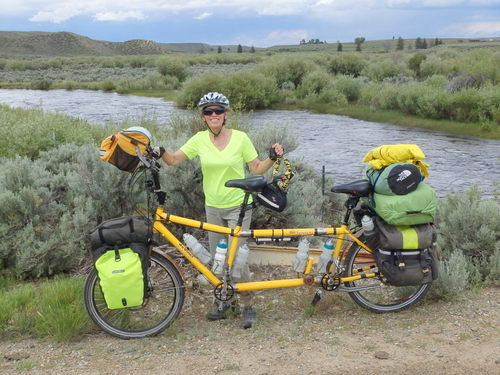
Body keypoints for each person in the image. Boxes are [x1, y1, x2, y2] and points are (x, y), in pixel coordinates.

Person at [156, 92, 284, 328]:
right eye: (208, 112)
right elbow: (173, 160)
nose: (213, 115)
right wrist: (159, 150)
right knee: (218, 258)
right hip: (212, 206)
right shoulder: (199, 139)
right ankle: (224, 302)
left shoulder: (240, 138)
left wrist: (272, 158)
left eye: (218, 111)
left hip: (239, 206)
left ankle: (247, 305)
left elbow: (256, 169)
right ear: (203, 117)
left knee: (238, 259)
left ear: (225, 115)